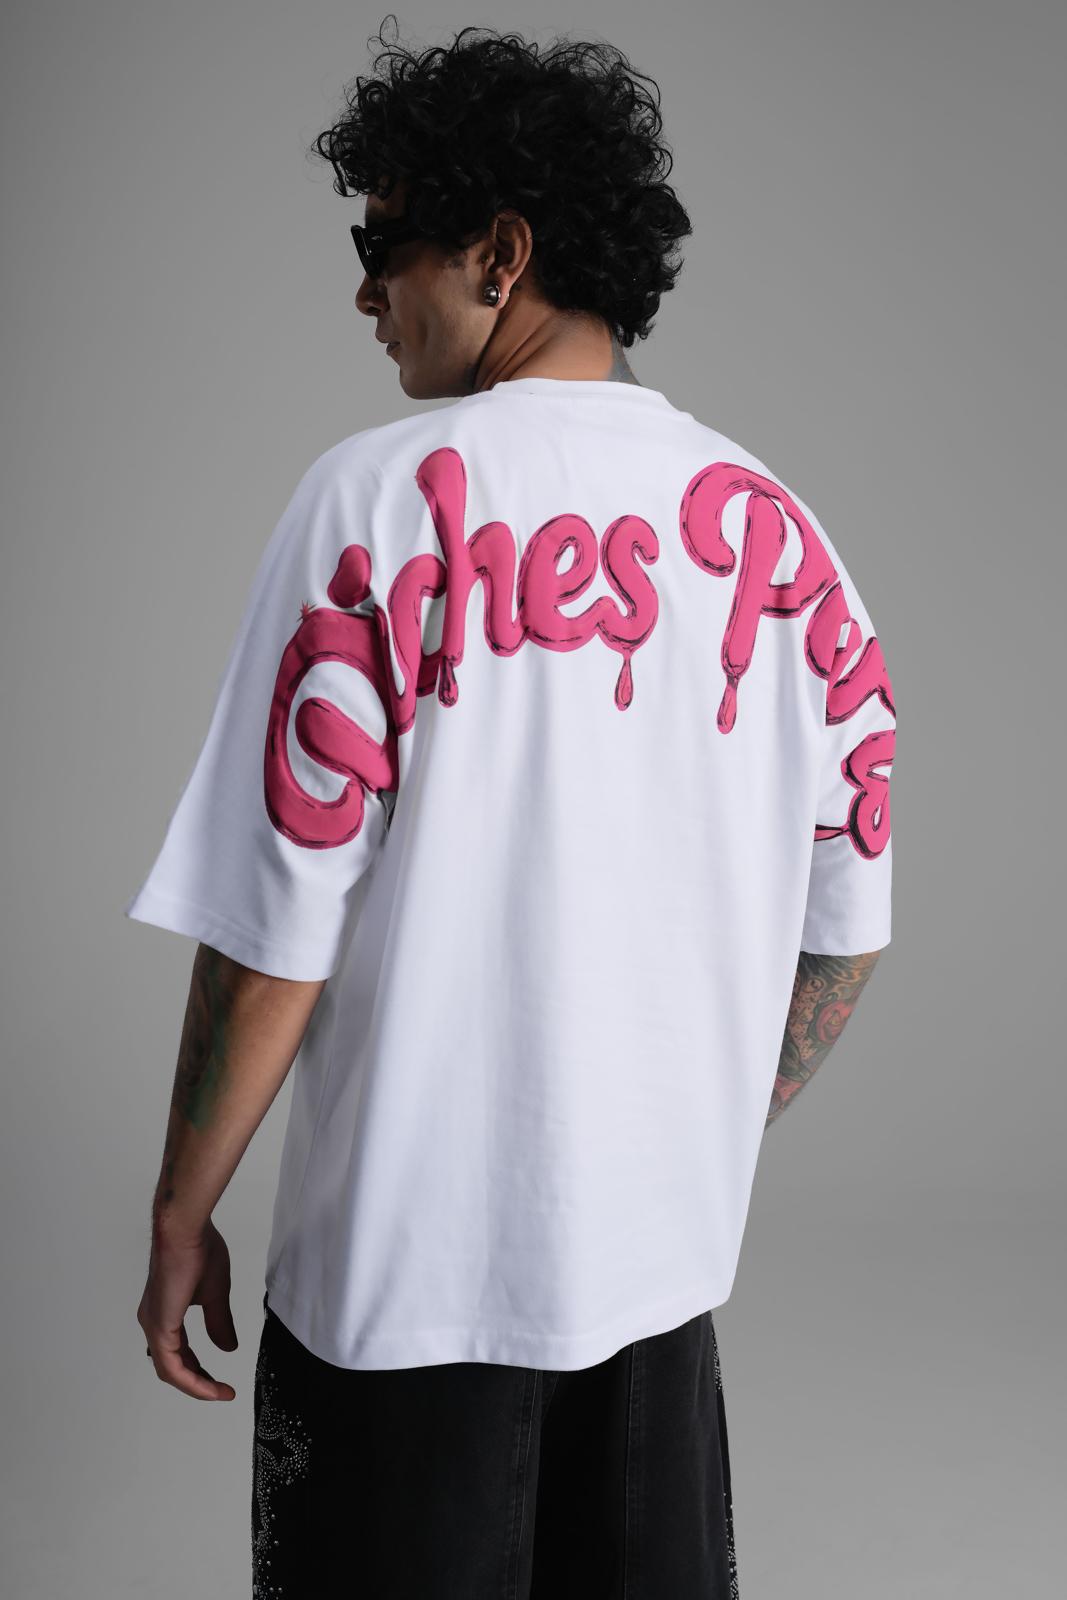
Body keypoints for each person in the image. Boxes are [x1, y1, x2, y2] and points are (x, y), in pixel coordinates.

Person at [127, 18, 894, 1599]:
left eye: (383, 246)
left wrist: (180, 1209)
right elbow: (847, 934)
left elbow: (274, 934)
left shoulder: (373, 500)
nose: (365, 295)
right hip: (658, 1303)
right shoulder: (786, 537)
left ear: (501, 252)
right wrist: (671, 1119)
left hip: (400, 1305)